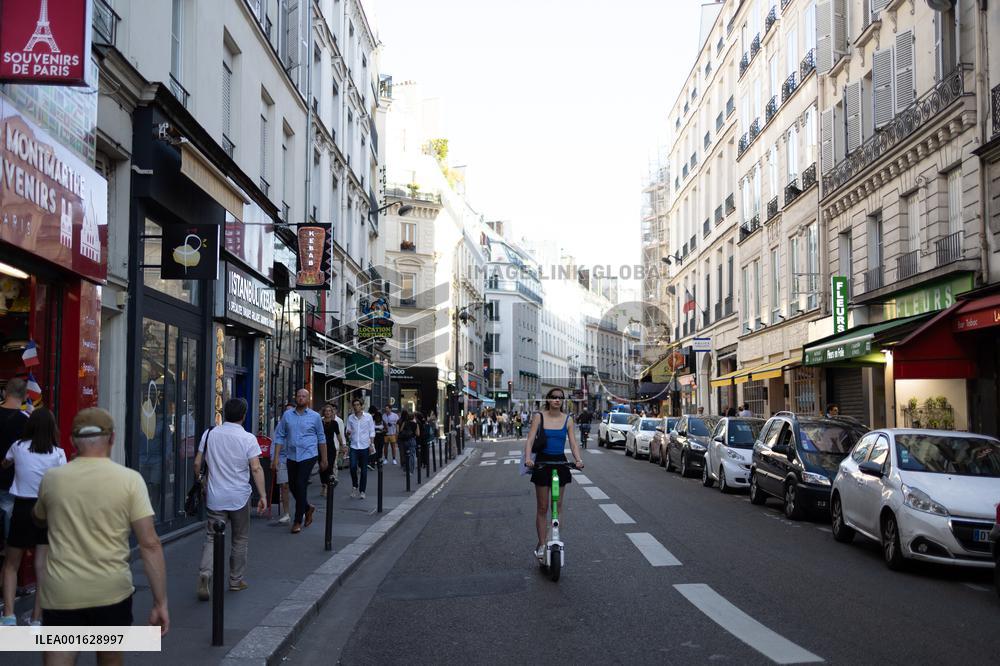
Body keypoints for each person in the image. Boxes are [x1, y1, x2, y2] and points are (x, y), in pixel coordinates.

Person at [33, 408, 169, 652]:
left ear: (73, 440)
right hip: (111, 590)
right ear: (112, 439)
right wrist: (160, 602)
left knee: (58, 658)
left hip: (62, 592)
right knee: (109, 658)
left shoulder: (52, 479)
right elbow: (150, 544)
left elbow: (39, 519)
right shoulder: (130, 480)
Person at [194, 398, 267, 601]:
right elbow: (255, 467)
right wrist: (263, 495)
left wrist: (202, 484)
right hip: (239, 496)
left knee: (211, 536)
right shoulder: (248, 438)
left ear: (224, 413)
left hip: (215, 496)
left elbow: (198, 463)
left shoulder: (210, 434)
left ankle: (205, 573)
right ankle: (235, 580)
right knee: (240, 538)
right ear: (244, 416)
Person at [1, 408, 66, 625]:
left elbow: (5, 463)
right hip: (46, 510)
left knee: (11, 564)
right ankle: (37, 619)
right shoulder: (58, 453)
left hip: (21, 509)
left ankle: (8, 615)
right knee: (42, 568)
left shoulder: (18, 446)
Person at [524, 388, 584, 562]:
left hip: (560, 463)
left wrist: (578, 460)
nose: (557, 400)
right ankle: (542, 544)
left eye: (560, 398)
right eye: (554, 398)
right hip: (542, 463)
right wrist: (528, 459)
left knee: (557, 506)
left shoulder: (568, 419)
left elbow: (573, 443)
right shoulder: (539, 417)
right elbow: (530, 439)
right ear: (548, 400)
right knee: (542, 507)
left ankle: (553, 538)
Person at [272, 389, 328, 534]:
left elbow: (321, 438)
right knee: (292, 485)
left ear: (308, 399)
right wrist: (276, 458)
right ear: (295, 398)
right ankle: (307, 507)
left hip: (308, 455)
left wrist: (324, 459)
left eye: (304, 396)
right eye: (299, 396)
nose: (301, 398)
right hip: (291, 455)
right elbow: (280, 436)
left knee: (300, 484)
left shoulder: (315, 417)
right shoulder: (287, 415)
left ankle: (298, 520)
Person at [0, 378, 29, 542]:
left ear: (5, 392)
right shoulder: (26, 420)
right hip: (12, 478)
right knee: (9, 514)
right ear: (25, 396)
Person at [269, 401, 295, 525]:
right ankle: (286, 513)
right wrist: (274, 458)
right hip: (283, 457)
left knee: (297, 486)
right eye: (286, 411)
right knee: (284, 486)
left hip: (297, 457)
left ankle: (303, 508)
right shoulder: (279, 425)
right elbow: (275, 441)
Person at [345, 399, 376, 499]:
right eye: (354, 405)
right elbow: (347, 431)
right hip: (354, 446)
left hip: (364, 446)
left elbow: (372, 431)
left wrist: (372, 445)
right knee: (353, 467)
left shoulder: (368, 417)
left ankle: (362, 491)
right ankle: (355, 485)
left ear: (362, 406)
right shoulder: (350, 417)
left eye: (358, 405)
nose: (356, 407)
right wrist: (348, 433)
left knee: (363, 470)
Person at [320, 404, 346, 494]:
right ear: (324, 412)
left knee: (330, 466)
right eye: (326, 411)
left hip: (331, 448)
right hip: (321, 447)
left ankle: (327, 485)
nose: (327, 412)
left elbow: (338, 435)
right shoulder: (320, 422)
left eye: (329, 411)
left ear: (332, 413)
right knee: (322, 467)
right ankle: (323, 484)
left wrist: (343, 445)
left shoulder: (334, 423)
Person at [398, 410, 419, 475]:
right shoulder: (416, 424)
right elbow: (418, 434)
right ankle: (411, 471)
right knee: (412, 455)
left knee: (406, 455)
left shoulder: (404, 423)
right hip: (412, 440)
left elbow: (400, 430)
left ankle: (406, 468)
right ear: (413, 417)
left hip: (405, 440)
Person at [369, 406, 385, 472]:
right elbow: (384, 428)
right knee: (380, 449)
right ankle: (379, 462)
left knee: (374, 449)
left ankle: (373, 463)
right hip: (380, 436)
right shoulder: (381, 420)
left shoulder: (372, 419)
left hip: (375, 436)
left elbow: (371, 428)